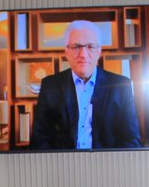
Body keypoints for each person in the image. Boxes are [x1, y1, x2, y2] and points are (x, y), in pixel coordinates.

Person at [30, 20, 141, 149]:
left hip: (107, 165)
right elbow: (40, 140)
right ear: (66, 52)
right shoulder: (50, 86)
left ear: (99, 51)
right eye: (76, 47)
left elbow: (131, 140)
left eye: (90, 47)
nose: (83, 55)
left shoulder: (121, 86)